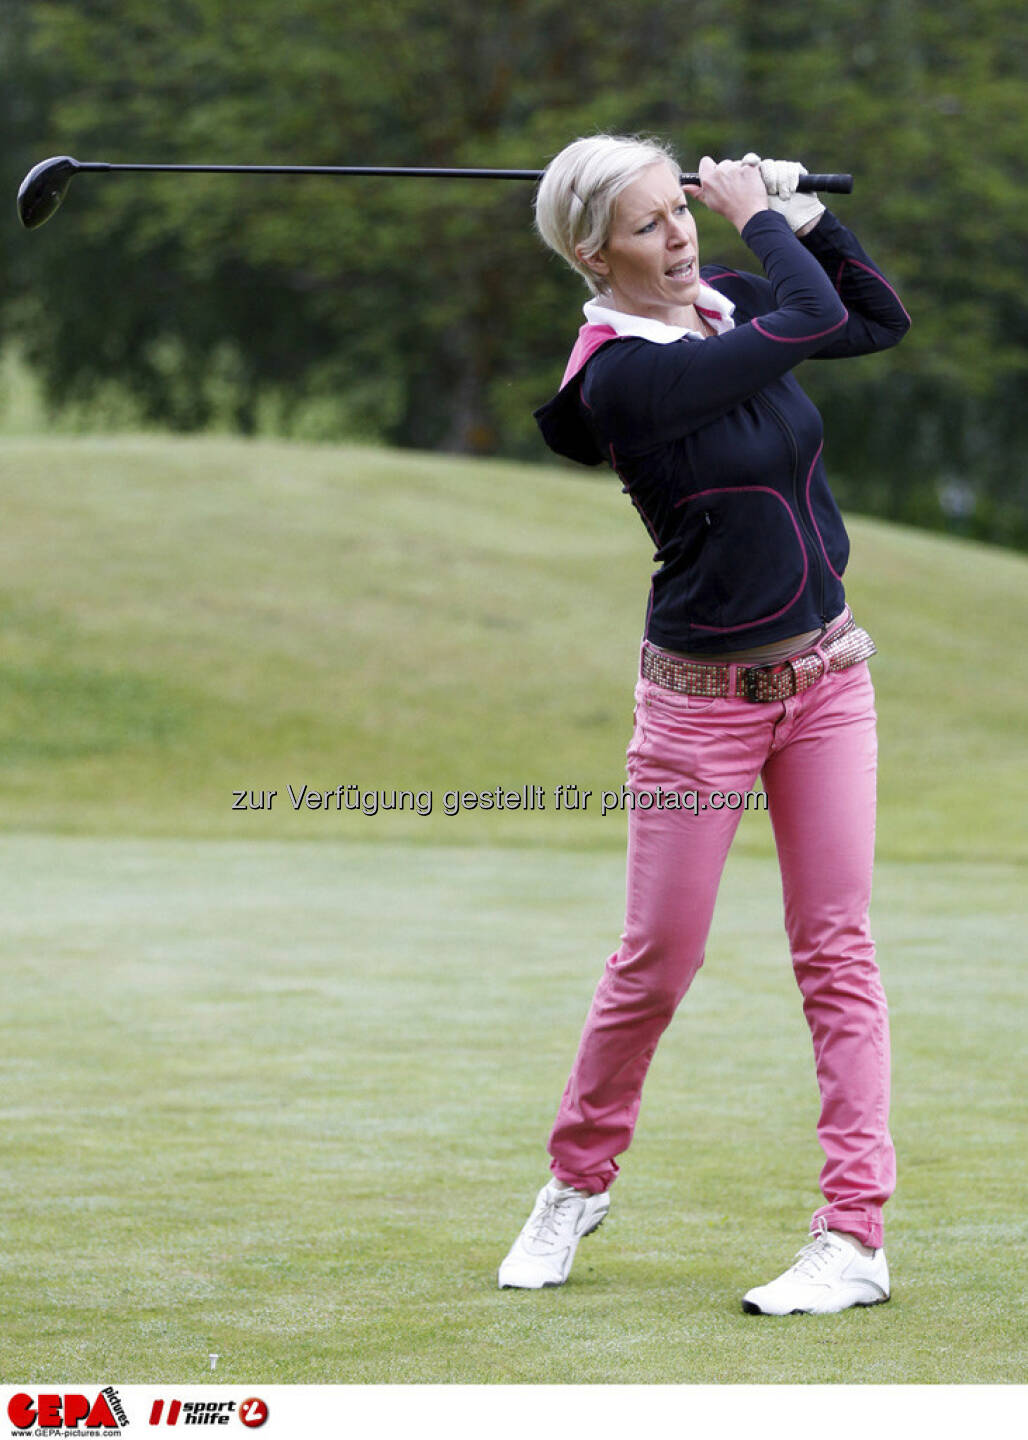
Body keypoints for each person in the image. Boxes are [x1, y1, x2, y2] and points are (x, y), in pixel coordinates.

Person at [498, 135, 910, 1315]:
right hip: (697, 712)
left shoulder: (727, 305)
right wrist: (758, 217)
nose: (679, 239)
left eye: (680, 211)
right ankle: (574, 1186)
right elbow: (800, 317)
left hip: (827, 680)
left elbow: (867, 319)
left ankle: (853, 1237)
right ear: (593, 255)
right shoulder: (617, 376)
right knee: (656, 962)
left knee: (836, 953)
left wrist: (802, 219)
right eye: (647, 226)